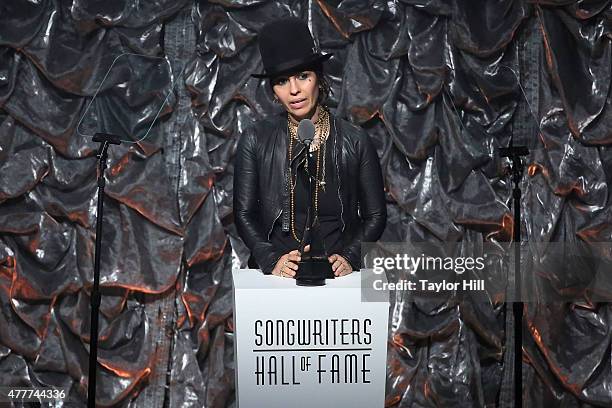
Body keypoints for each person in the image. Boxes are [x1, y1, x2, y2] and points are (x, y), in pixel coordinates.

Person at [233, 17, 386, 279]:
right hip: (277, 277)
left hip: (338, 278)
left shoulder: (355, 140)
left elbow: (376, 214)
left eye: (303, 76)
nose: (294, 90)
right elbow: (244, 213)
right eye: (282, 81)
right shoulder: (255, 139)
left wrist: (351, 256)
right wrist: (271, 259)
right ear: (273, 90)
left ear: (319, 78)